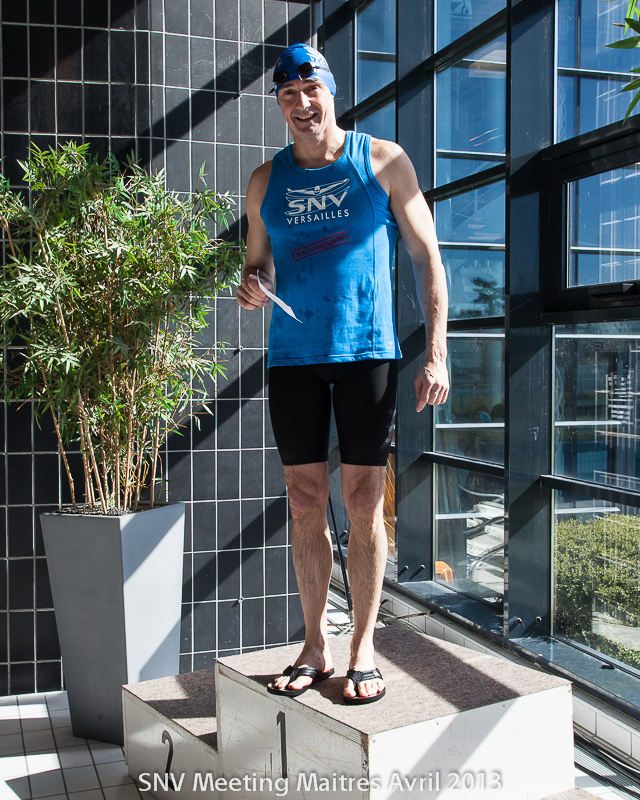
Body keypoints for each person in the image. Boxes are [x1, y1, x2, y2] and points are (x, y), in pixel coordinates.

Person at [236, 43, 449, 704]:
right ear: (280, 104)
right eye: (288, 96)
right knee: (303, 500)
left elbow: (427, 256)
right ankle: (314, 644)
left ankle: (363, 646)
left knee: (363, 501)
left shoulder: (381, 160)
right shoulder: (265, 181)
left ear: (331, 91)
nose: (302, 105)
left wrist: (437, 352)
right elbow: (258, 263)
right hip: (293, 359)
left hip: (367, 355)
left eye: (312, 91)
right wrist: (252, 285)